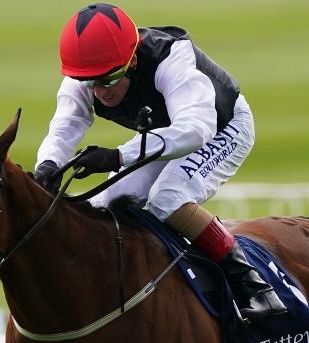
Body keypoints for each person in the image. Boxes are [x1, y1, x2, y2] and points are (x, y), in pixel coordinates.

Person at [34, 3, 286, 321]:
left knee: (168, 196)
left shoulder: (171, 58)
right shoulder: (87, 73)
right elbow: (64, 127)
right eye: (89, 83)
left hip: (222, 128)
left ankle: (255, 286)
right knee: (103, 208)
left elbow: (196, 129)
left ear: (132, 60)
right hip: (165, 135)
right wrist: (47, 165)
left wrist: (118, 156)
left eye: (109, 79)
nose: (99, 92)